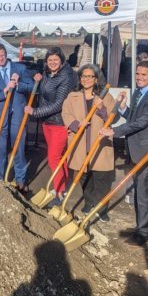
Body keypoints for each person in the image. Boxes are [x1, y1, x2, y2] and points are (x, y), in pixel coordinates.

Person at [99, 61, 148, 243]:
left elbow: (141, 123)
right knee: (147, 191)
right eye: (138, 74)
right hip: (138, 148)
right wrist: (123, 107)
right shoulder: (139, 92)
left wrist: (115, 131)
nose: (139, 78)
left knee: (143, 192)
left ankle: (142, 233)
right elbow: (133, 117)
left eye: (144, 75)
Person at [62, 64, 116, 221]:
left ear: (96, 79)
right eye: (83, 76)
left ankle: (102, 208)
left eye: (90, 76)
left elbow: (112, 118)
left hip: (99, 143)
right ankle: (89, 201)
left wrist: (101, 109)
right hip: (79, 143)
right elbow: (66, 114)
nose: (86, 79)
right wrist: (76, 124)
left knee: (101, 178)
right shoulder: (72, 96)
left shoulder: (105, 97)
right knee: (83, 176)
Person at [26, 47, 75, 201]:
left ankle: (58, 191)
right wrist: (36, 77)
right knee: (59, 158)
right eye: (50, 60)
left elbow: (58, 104)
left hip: (59, 122)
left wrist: (35, 112)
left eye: (56, 59)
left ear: (61, 60)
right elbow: (42, 91)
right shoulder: (48, 74)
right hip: (48, 122)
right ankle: (63, 187)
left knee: (54, 158)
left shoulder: (65, 77)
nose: (53, 62)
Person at [0, 43, 34, 190]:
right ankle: (2, 179)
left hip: (17, 113)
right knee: (0, 148)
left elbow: (32, 86)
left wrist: (18, 84)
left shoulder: (20, 68)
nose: (1, 58)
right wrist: (5, 91)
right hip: (0, 115)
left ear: (6, 54)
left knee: (18, 146)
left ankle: (20, 179)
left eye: (2, 55)